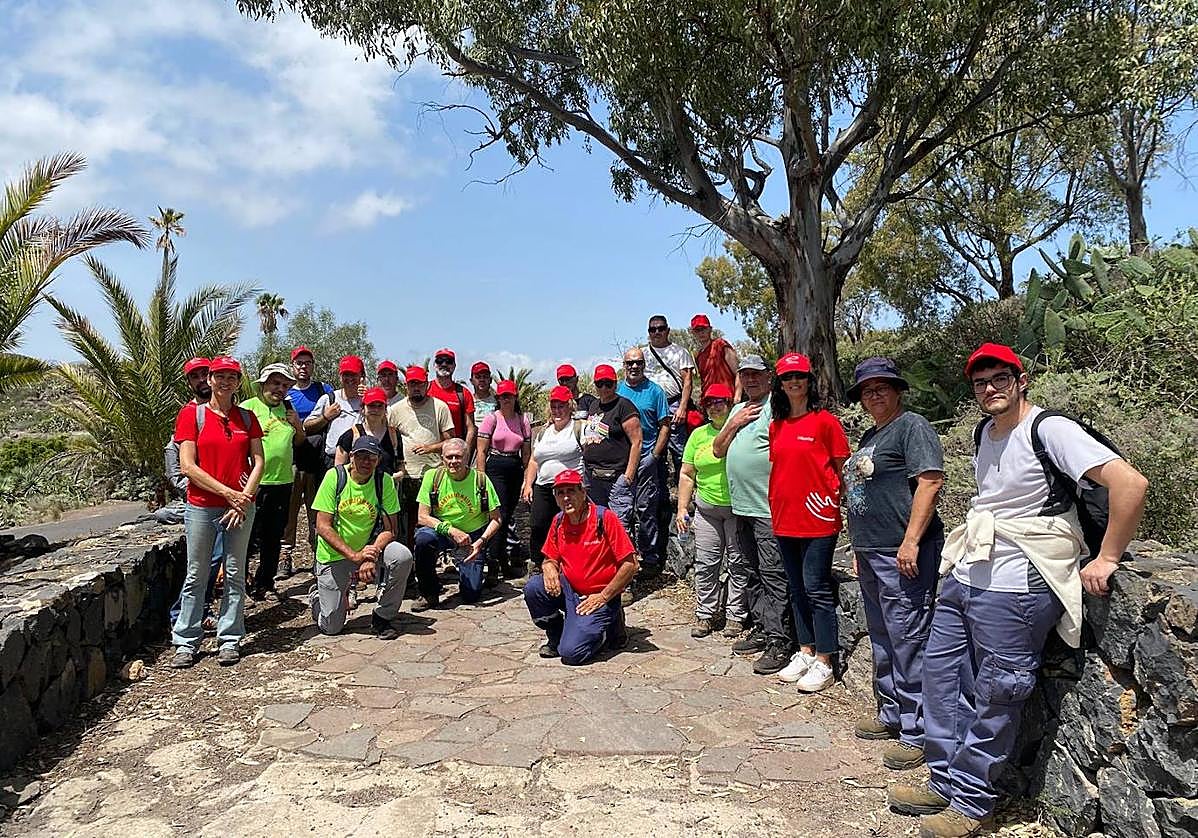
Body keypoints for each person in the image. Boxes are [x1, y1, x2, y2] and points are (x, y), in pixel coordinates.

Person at [889, 343, 1148, 838]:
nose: (989, 388)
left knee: (997, 692)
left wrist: (1108, 556)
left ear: (1020, 379)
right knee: (943, 681)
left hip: (1020, 582)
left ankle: (969, 802)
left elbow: (1129, 483)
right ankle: (943, 780)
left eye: (999, 378)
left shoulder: (1049, 429)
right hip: (968, 573)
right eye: (980, 381)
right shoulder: (984, 431)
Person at [841, 357, 945, 771]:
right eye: (867, 390)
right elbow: (862, 494)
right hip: (871, 551)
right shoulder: (871, 434)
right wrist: (857, 545)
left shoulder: (912, 427)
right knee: (883, 635)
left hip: (902, 552)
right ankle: (891, 713)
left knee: (909, 637)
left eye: (882, 386)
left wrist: (911, 541)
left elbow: (930, 481)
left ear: (898, 390)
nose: (875, 394)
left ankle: (918, 731)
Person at [170, 356, 265, 668]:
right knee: (196, 574)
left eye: (232, 377)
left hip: (240, 506)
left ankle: (230, 638)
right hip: (202, 507)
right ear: (209, 380)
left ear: (238, 382)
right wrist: (229, 494)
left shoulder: (248, 418)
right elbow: (187, 466)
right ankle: (186, 640)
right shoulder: (191, 415)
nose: (225, 382)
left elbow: (258, 462)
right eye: (219, 376)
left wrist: (245, 498)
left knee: (236, 574)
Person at [767, 352, 850, 693]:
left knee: (816, 588)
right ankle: (805, 651)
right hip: (785, 518)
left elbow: (842, 470)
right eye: (787, 378)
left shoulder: (825, 422)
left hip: (818, 519)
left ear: (809, 380)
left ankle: (825, 661)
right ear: (780, 384)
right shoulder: (777, 424)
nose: (794, 382)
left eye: (800, 376)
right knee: (796, 587)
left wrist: (838, 504)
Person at [711, 354, 793, 670]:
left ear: (768, 377)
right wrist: (733, 423)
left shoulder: (778, 407)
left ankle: (779, 643)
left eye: (756, 375)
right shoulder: (736, 410)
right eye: (745, 375)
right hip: (741, 507)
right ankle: (761, 627)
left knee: (773, 575)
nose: (750, 380)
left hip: (767, 508)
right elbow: (718, 449)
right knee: (752, 572)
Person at [523, 469, 637, 664]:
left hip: (599, 596)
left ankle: (607, 629)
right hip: (569, 592)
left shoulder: (604, 518)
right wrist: (549, 566)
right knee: (534, 588)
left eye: (571, 491)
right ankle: (556, 634)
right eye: (560, 493)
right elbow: (550, 557)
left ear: (583, 493)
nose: (566, 498)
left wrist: (603, 597)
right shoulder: (559, 521)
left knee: (571, 654)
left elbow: (630, 564)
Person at [310, 435, 414, 639]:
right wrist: (355, 556)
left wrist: (369, 556)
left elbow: (390, 529)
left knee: (402, 557)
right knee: (331, 626)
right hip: (335, 554)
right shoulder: (335, 477)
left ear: (378, 460)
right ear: (351, 457)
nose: (366, 462)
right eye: (361, 456)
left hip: (369, 548)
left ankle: (383, 616)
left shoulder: (383, 481)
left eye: (372, 458)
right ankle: (317, 598)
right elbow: (322, 526)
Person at [676, 384, 745, 638]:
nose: (715, 406)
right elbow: (686, 473)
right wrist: (682, 507)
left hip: (737, 508)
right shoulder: (698, 436)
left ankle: (736, 615)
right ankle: (705, 614)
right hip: (707, 508)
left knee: (738, 563)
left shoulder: (741, 431)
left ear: (730, 404)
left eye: (721, 402)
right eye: (710, 403)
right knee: (706, 563)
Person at [413, 438, 502, 607]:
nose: (453, 462)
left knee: (471, 595)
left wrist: (481, 542)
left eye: (458, 457)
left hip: (473, 536)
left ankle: (476, 566)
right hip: (442, 532)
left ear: (467, 457)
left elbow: (496, 519)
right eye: (449, 457)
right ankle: (429, 592)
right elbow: (422, 516)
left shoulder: (481, 480)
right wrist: (451, 530)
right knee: (423, 539)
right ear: (442, 458)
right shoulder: (433, 477)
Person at [242, 362, 305, 600]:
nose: (279, 389)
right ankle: (241, 583)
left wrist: (297, 425)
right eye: (275, 383)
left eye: (284, 385)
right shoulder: (248, 409)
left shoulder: (288, 409)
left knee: (273, 535)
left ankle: (265, 583)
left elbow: (298, 442)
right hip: (253, 484)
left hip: (283, 483)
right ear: (263, 385)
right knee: (247, 537)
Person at [166, 357, 221, 629]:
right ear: (189, 383)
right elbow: (177, 466)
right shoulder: (189, 415)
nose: (201, 380)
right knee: (201, 564)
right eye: (194, 376)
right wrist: (195, 488)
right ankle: (182, 617)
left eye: (204, 374)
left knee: (218, 560)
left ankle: (201, 610)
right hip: (200, 503)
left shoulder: (228, 413)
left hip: (227, 501)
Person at [388, 366, 454, 563]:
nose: (416, 388)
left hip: (433, 475)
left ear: (426, 384)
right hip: (407, 476)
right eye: (412, 384)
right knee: (405, 527)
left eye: (419, 384)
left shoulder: (440, 407)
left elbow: (449, 441)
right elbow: (391, 441)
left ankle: (430, 569)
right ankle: (407, 571)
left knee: (431, 526)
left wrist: (431, 448)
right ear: (406, 385)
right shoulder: (395, 410)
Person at [617, 347, 671, 578]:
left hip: (647, 459)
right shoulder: (616, 389)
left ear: (644, 364)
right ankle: (625, 558)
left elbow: (665, 425)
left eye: (638, 362)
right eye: (630, 363)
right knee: (622, 511)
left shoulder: (655, 392)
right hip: (622, 460)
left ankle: (650, 558)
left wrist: (655, 456)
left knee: (646, 509)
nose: (634, 367)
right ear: (624, 365)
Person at [282, 345, 333, 575]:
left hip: (316, 459)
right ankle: (285, 556)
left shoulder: (324, 390)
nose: (303, 367)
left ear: (313, 366)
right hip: (291, 459)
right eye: (299, 363)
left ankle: (318, 555)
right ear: (293, 366)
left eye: (307, 363)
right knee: (289, 511)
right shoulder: (285, 392)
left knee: (317, 510)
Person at [523, 385, 584, 566]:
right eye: (554, 406)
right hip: (543, 486)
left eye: (562, 406)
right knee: (538, 526)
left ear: (570, 406)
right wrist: (528, 484)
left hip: (569, 488)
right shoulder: (544, 431)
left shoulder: (578, 428)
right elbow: (534, 460)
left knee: (569, 526)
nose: (557, 411)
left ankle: (569, 565)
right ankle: (537, 564)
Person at [476, 379, 531, 581]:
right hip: (495, 467)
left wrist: (527, 477)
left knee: (507, 517)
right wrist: (481, 478)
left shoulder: (522, 419)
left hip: (514, 467)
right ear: (498, 398)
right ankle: (493, 563)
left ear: (515, 397)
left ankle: (502, 560)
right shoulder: (492, 419)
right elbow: (481, 450)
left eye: (509, 395)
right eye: (502, 396)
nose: (506, 399)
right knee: (497, 514)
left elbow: (526, 453)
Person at [580, 363, 642, 534]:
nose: (604, 388)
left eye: (608, 383)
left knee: (619, 530)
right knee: (596, 526)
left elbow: (637, 442)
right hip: (594, 479)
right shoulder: (594, 406)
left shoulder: (624, 406)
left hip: (616, 479)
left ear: (615, 384)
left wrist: (628, 477)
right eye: (600, 384)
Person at [304, 355, 366, 470]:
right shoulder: (329, 399)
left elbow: (383, 424)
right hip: (330, 462)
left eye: (353, 374)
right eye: (346, 374)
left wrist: (367, 401)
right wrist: (325, 418)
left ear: (362, 376)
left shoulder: (369, 401)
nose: (349, 378)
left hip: (361, 463)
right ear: (340, 376)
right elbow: (307, 427)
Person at [335, 387, 403, 476]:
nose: (376, 410)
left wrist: (401, 473)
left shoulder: (393, 434)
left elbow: (400, 462)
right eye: (371, 405)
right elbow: (338, 471)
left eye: (380, 406)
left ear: (385, 409)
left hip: (386, 488)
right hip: (358, 488)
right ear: (363, 408)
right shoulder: (351, 435)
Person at [428, 348, 477, 453]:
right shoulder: (425, 389)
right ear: (434, 365)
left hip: (453, 454)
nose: (444, 364)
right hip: (428, 451)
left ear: (454, 366)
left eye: (449, 361)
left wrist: (465, 452)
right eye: (440, 361)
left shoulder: (464, 393)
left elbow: (471, 428)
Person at [690, 314, 741, 403]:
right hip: (710, 402)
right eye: (697, 330)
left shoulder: (720, 345)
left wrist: (737, 397)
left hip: (727, 400)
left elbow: (738, 372)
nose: (701, 332)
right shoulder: (698, 355)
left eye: (704, 329)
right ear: (693, 333)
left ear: (710, 329)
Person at [470, 361, 498, 428]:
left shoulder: (498, 402)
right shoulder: (466, 401)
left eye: (485, 377)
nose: (482, 380)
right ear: (471, 381)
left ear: (490, 380)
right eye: (478, 377)